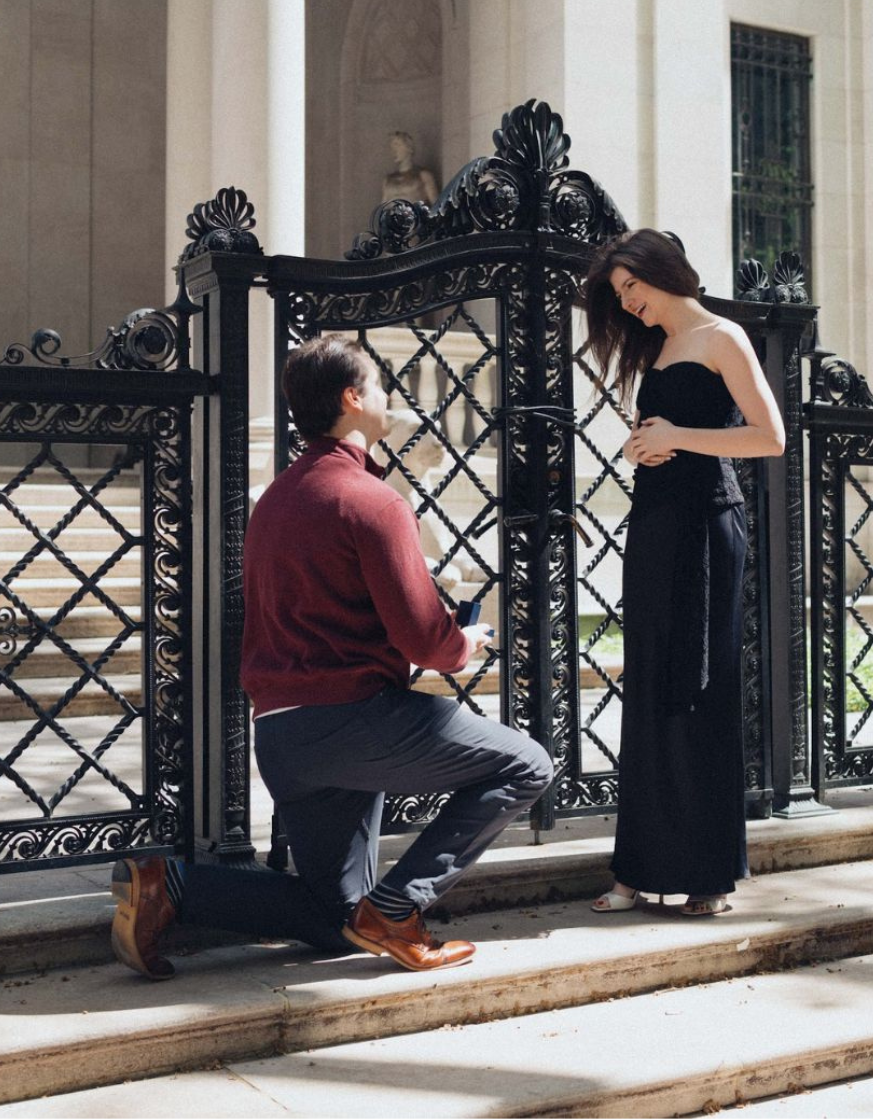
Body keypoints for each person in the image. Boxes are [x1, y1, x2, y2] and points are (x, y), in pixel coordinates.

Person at [110, 334, 552, 977]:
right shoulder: (373, 501)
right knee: (528, 764)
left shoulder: (275, 502)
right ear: (352, 398)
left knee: (337, 916)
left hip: (283, 734)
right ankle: (400, 907)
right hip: (355, 720)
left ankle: (171, 887)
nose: (385, 397)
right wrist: (462, 645)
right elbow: (424, 641)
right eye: (377, 386)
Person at [581, 230, 784, 916]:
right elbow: (665, 435)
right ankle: (633, 872)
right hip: (656, 526)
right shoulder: (657, 349)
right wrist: (645, 445)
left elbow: (769, 436)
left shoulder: (722, 336)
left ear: (660, 271)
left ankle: (707, 878)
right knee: (648, 685)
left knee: (701, 691)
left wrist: (676, 437)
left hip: (707, 527)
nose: (628, 302)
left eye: (630, 286)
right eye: (618, 295)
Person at [381, 130, 439, 205]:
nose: (394, 150)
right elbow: (383, 208)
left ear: (409, 148)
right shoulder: (388, 180)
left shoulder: (423, 176)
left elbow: (436, 206)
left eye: (397, 145)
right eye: (392, 146)